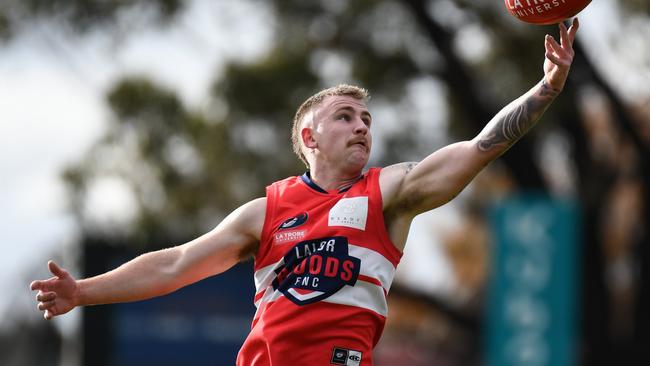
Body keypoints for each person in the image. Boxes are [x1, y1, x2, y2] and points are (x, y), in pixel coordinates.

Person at [31, 19, 579, 365]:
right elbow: (175, 264)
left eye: (367, 118)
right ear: (309, 137)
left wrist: (547, 88)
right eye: (346, 117)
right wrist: (84, 293)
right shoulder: (266, 211)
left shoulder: (387, 193)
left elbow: (481, 146)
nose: (363, 126)